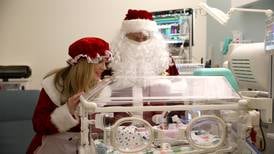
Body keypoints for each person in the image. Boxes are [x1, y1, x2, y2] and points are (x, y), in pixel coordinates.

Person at [27, 37, 111, 154]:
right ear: (84, 63)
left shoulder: (102, 89)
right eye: (100, 61)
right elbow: (38, 125)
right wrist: (67, 110)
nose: (104, 67)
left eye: (105, 62)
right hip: (52, 147)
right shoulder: (54, 85)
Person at [109, 9, 181, 125]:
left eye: (145, 38)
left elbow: (177, 96)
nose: (141, 43)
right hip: (120, 126)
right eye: (136, 39)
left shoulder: (165, 61)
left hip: (158, 126)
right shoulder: (112, 60)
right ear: (124, 37)